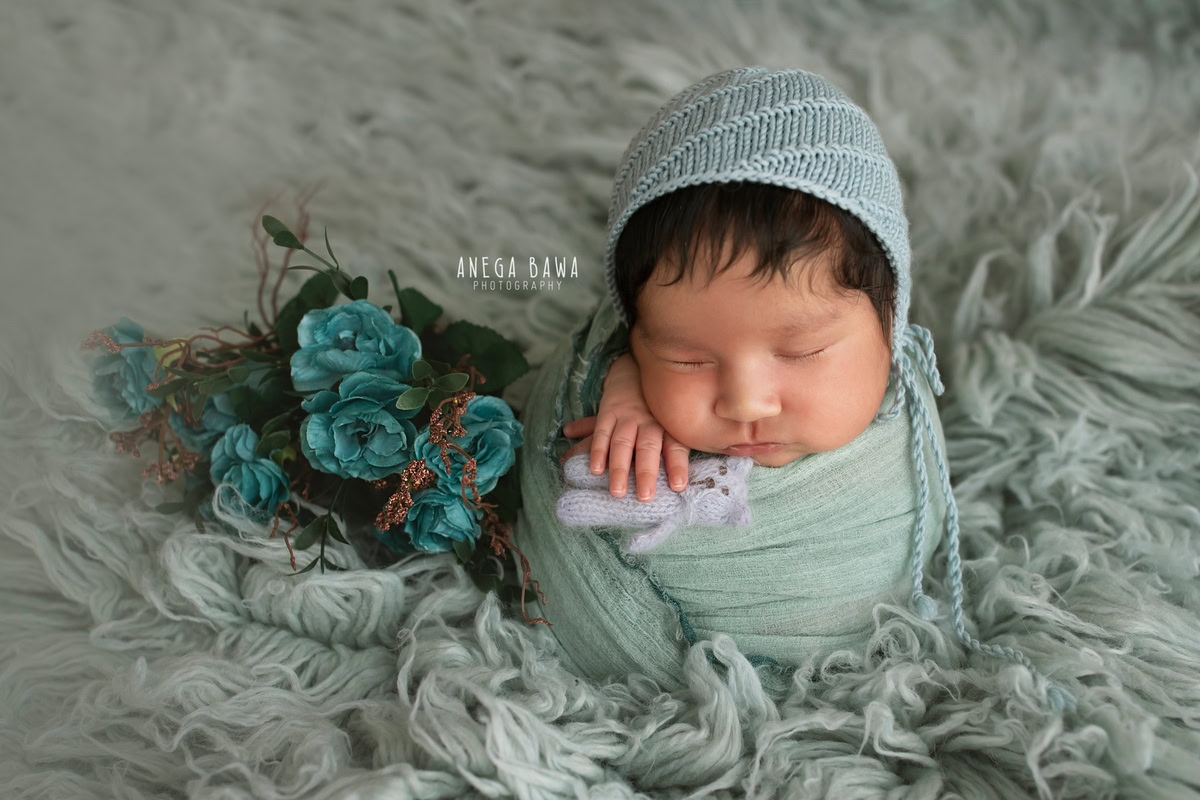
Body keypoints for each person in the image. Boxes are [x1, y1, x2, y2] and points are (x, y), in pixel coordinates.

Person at [532, 66, 1074, 711]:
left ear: (891, 323)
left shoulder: (898, 444)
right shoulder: (615, 366)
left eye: (802, 351)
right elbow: (598, 355)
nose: (747, 404)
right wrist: (621, 385)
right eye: (686, 359)